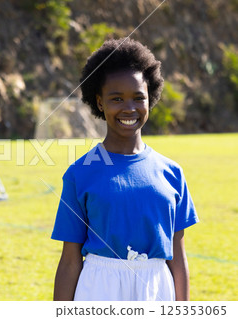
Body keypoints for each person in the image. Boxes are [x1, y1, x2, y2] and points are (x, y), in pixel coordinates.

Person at [51, 38, 199, 301]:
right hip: (99, 288)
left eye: (138, 98)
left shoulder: (172, 173)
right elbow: (70, 262)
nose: (129, 108)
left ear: (150, 99)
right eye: (116, 98)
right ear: (99, 102)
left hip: (156, 289)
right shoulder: (79, 173)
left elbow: (177, 257)